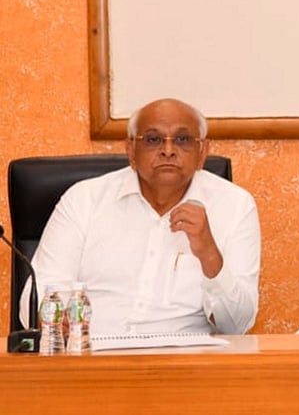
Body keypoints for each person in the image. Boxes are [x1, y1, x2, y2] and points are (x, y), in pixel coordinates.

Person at [21, 98, 261, 335]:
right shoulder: (84, 200)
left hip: (184, 364)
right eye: (153, 140)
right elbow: (39, 294)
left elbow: (236, 326)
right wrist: (55, 319)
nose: (168, 151)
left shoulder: (235, 206)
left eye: (182, 139)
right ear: (131, 151)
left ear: (202, 152)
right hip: (91, 356)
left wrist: (209, 252)